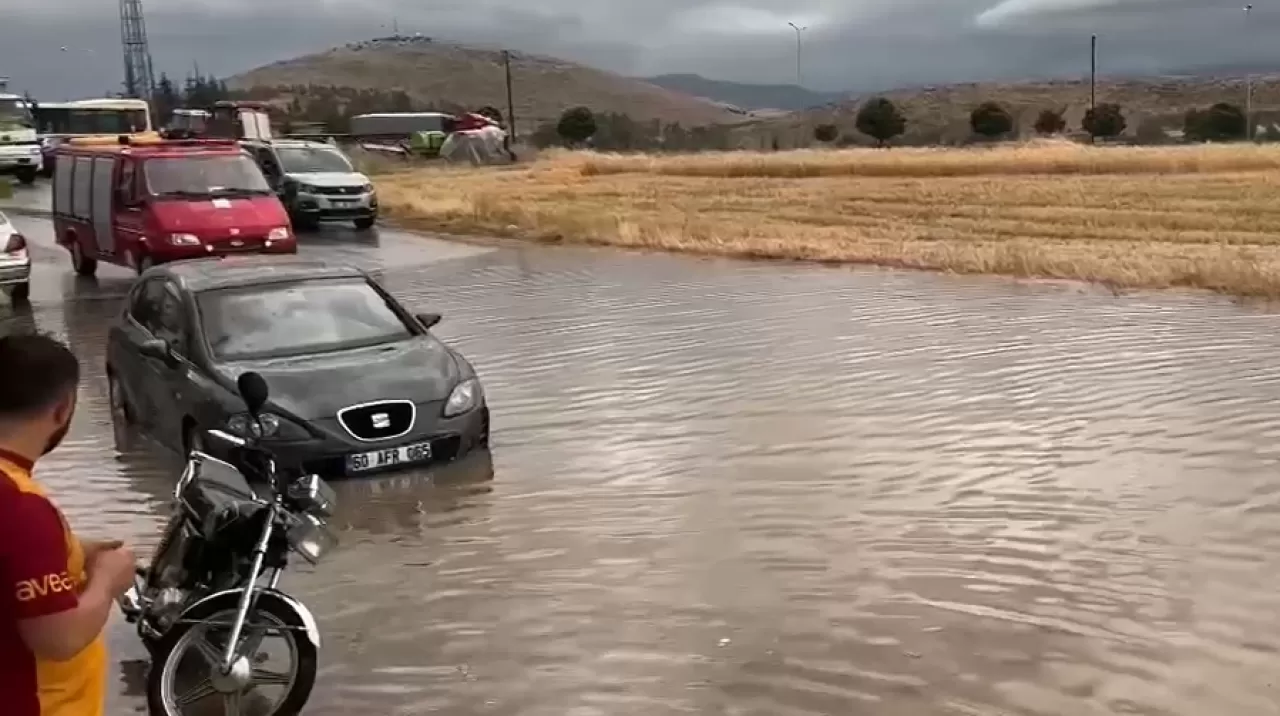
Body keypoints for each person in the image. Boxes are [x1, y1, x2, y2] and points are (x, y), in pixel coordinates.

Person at [0, 333, 136, 716]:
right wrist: (107, 580)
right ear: (62, 410)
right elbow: (58, 638)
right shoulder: (20, 505)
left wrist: (72, 549)